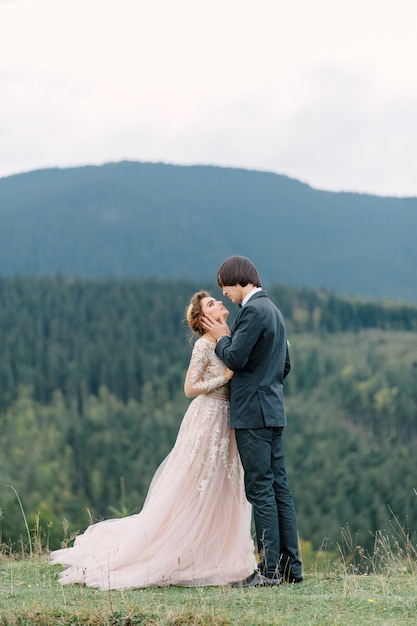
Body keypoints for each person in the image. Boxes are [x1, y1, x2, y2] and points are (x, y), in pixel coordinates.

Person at [50, 291, 256, 590]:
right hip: (208, 417)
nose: (219, 303)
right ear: (203, 319)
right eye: (211, 303)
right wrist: (224, 378)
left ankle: (217, 550)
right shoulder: (203, 346)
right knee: (197, 482)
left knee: (224, 484)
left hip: (228, 422)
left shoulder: (229, 340)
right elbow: (190, 387)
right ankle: (182, 548)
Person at [201, 256, 303, 587]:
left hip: (253, 414)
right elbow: (284, 365)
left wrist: (220, 337)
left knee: (259, 488)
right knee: (278, 487)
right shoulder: (274, 311)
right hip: (273, 409)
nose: (225, 294)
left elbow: (234, 357)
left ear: (238, 280)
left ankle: (270, 570)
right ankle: (291, 568)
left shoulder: (253, 312)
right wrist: (265, 380)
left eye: (225, 286)